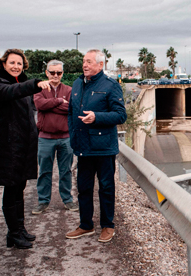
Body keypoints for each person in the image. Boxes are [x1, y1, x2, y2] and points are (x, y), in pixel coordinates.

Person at [0, 49, 50, 249]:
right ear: (3, 64)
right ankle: (13, 233)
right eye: (12, 63)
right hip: (9, 145)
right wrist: (34, 84)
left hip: (24, 145)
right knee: (11, 189)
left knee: (20, 188)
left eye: (19, 63)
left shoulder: (19, 84)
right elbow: (11, 92)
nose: (16, 66)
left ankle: (20, 229)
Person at [65, 49, 126, 243]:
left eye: (89, 62)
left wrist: (97, 117)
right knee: (83, 187)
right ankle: (86, 225)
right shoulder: (76, 84)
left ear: (101, 65)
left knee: (106, 188)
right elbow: (71, 113)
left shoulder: (110, 85)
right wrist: (73, 134)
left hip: (104, 147)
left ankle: (107, 226)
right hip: (83, 146)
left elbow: (120, 115)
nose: (85, 65)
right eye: (84, 61)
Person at [32, 60, 77, 215]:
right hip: (45, 137)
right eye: (52, 72)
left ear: (62, 73)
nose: (55, 75)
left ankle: (67, 199)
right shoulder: (40, 88)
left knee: (66, 171)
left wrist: (50, 106)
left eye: (58, 72)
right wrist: (58, 101)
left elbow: (71, 108)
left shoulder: (69, 90)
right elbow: (40, 105)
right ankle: (43, 201)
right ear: (47, 73)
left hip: (66, 137)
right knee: (44, 171)